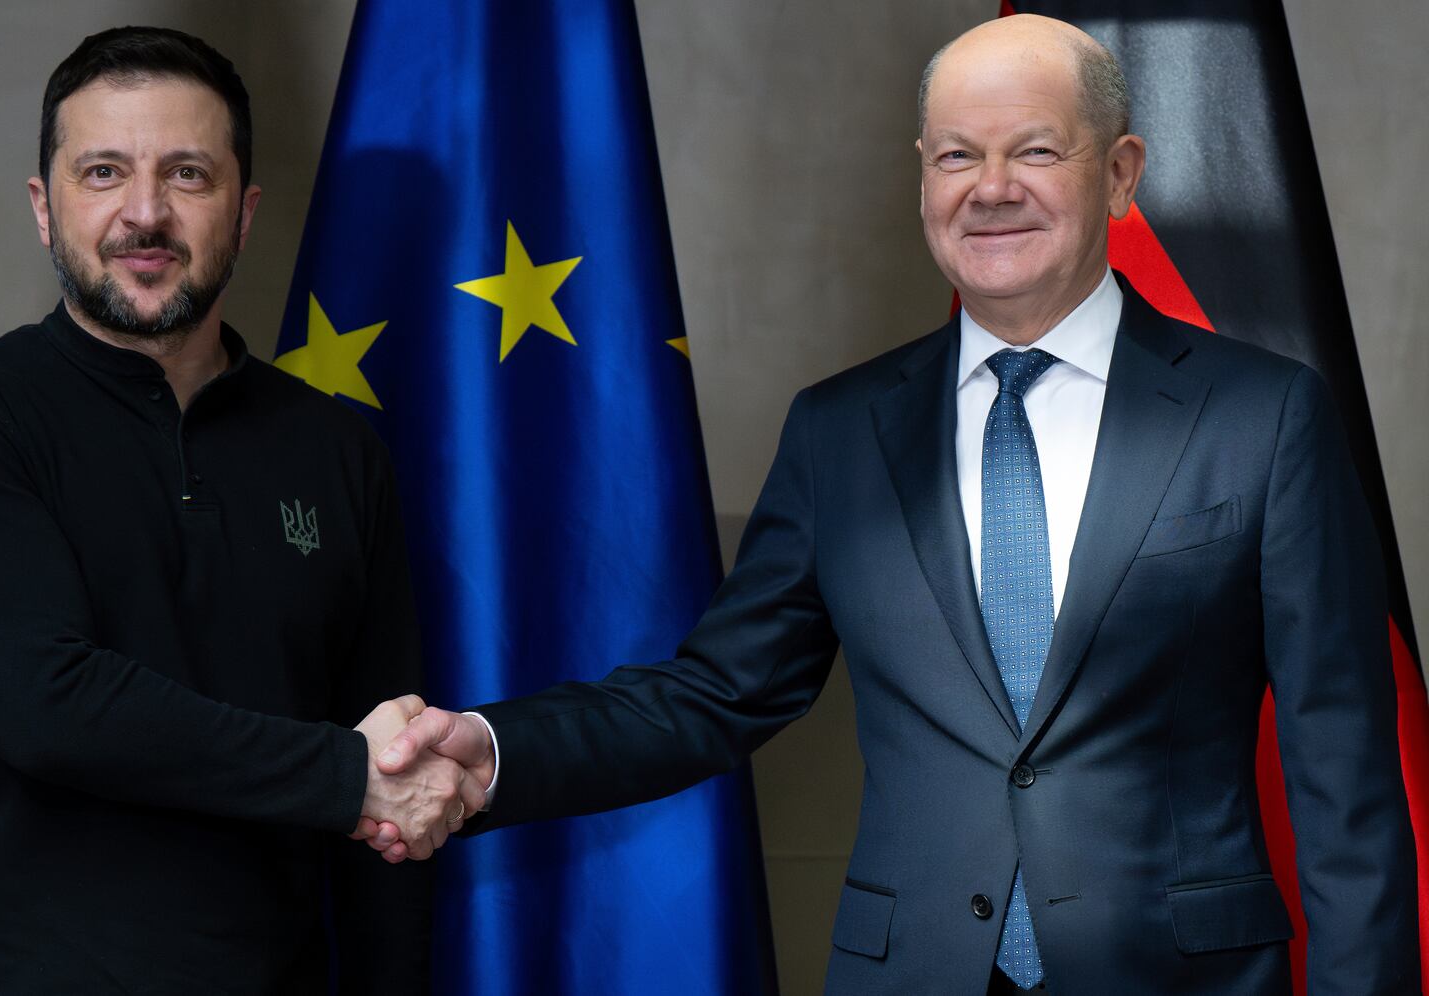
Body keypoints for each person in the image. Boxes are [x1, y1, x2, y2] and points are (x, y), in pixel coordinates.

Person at [367, 14, 1418, 994]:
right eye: (957, 154)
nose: (990, 187)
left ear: (1122, 174)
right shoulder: (840, 431)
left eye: (1037, 151)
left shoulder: (1262, 416)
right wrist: (493, 749)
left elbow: (1345, 780)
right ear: (923, 176)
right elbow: (712, 695)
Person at [0, 26, 478, 994]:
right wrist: (341, 773)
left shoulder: (335, 449)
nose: (143, 213)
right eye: (103, 171)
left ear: (242, 213)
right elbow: (51, 707)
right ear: (44, 206)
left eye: (187, 175)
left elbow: (392, 762)